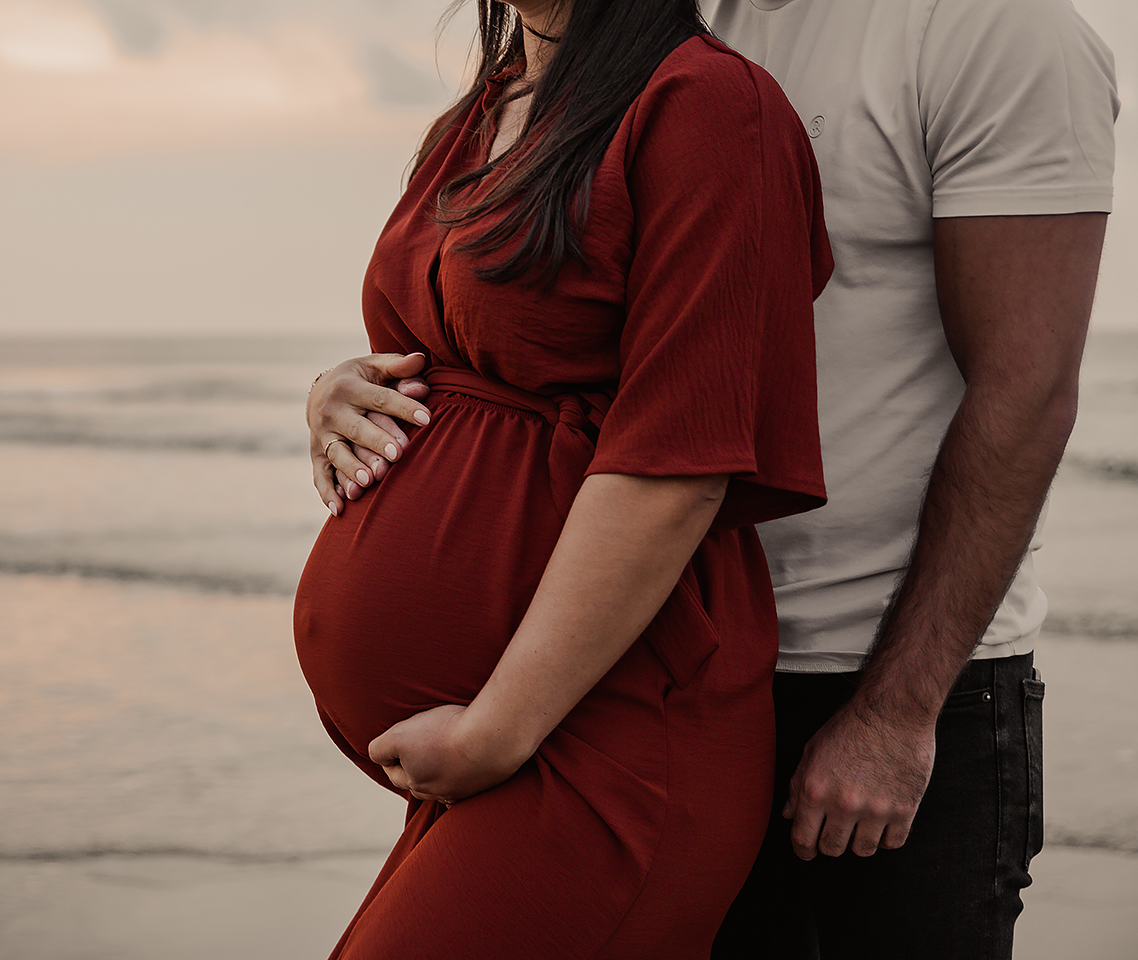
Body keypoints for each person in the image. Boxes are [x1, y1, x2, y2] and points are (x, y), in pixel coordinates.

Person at [308, 0, 1119, 956]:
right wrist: (352, 391)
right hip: (607, 662)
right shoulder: (621, 35)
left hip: (862, 670)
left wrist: (896, 713)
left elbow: (1025, 393)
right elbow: (537, 332)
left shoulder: (986, 30)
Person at [292, 0, 832, 956]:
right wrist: (334, 394)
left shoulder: (709, 105)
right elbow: (447, 363)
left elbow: (679, 463)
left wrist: (494, 732)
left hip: (609, 734)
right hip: (503, 744)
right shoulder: (493, 106)